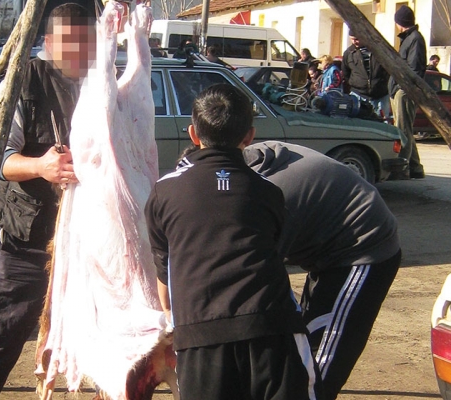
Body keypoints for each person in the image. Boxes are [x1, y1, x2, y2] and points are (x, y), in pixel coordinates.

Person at [0, 3, 95, 399]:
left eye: (87, 43)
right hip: (23, 237)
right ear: (49, 41)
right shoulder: (22, 83)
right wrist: (42, 166)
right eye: (71, 43)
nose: (80, 52)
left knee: (100, 347)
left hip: (85, 240)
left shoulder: (101, 85)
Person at [145, 84, 323, 400]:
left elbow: (165, 269)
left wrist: (173, 315)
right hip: (272, 330)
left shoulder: (164, 191)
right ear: (250, 136)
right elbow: (273, 250)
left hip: (201, 337)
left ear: (193, 134)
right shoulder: (269, 191)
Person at [241, 141, 401, 400]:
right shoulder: (243, 164)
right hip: (325, 249)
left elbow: (256, 288)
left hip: (363, 249)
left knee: (317, 371)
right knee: (301, 348)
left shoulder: (269, 199)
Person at [389, 5, 426, 179]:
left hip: (405, 91)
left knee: (402, 130)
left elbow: (414, 69)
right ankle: (415, 167)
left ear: (399, 23)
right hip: (401, 89)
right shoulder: (409, 38)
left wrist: (400, 88)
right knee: (406, 130)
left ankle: (402, 168)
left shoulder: (415, 39)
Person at [342, 30, 391, 119]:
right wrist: (357, 83)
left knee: (381, 122)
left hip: (380, 95)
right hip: (358, 94)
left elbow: (389, 70)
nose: (354, 42)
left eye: (357, 39)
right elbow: (346, 72)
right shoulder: (349, 53)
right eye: (352, 39)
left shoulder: (379, 50)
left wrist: (381, 83)